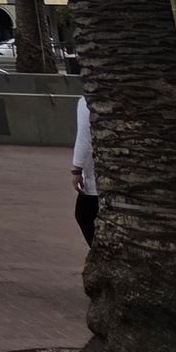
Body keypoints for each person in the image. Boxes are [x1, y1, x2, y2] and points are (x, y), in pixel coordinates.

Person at [72, 94, 100, 246]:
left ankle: (100, 252)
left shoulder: (86, 102)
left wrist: (76, 170)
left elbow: (84, 138)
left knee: (84, 214)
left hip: (95, 177)